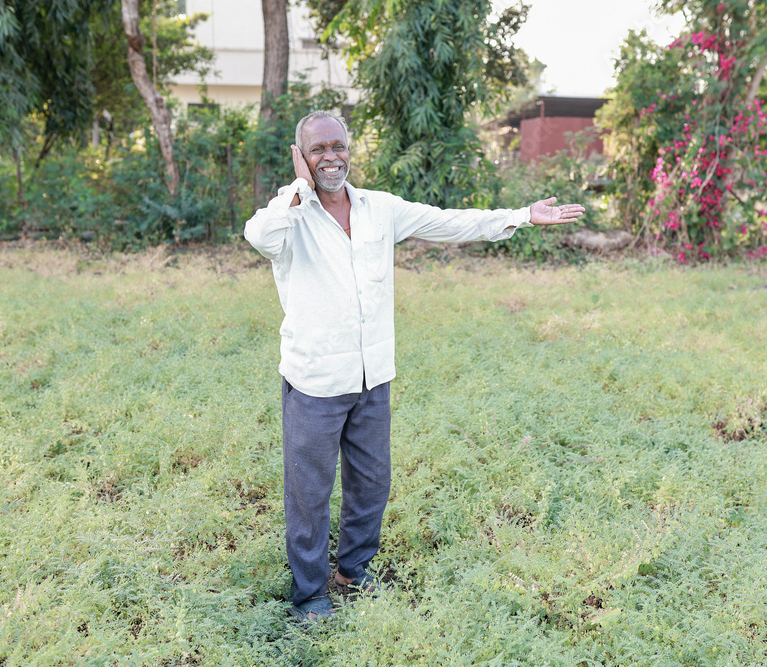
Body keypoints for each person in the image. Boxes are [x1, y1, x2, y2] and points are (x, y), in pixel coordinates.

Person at [243, 110, 584, 622]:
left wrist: (520, 215)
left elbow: (449, 222)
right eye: (317, 149)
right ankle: (311, 593)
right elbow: (259, 237)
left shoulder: (381, 209)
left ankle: (353, 572)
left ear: (351, 150)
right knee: (309, 494)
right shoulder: (289, 216)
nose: (331, 156)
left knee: (371, 483)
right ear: (302, 156)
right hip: (315, 380)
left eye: (338, 146)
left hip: (372, 374)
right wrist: (297, 187)